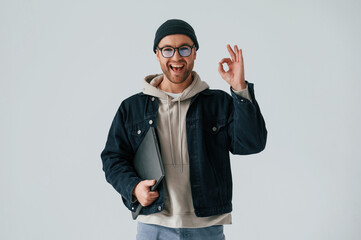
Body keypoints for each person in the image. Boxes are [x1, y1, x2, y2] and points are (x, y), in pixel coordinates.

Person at [101, 19, 267, 240]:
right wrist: (134, 188)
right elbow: (113, 158)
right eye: (168, 50)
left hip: (206, 226)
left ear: (195, 53)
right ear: (157, 54)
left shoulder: (218, 103)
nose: (177, 57)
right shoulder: (132, 108)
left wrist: (240, 89)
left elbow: (251, 144)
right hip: (154, 225)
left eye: (184, 49)